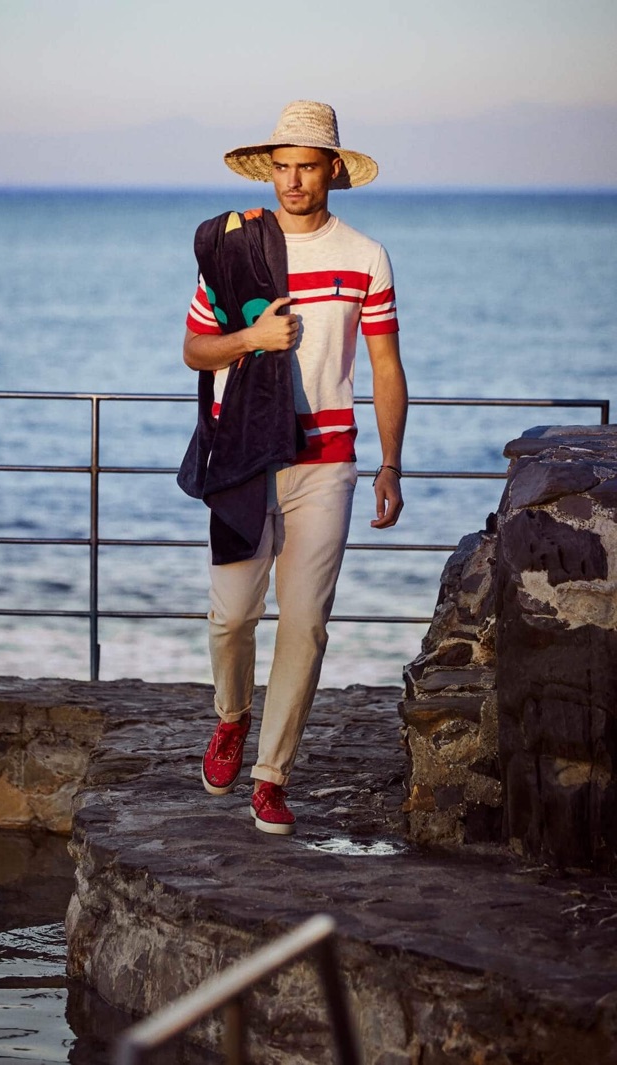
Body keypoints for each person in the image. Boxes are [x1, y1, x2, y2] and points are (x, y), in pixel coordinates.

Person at [178, 100, 408, 835]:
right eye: (282, 167)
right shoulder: (236, 249)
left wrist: (391, 464)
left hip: (327, 462)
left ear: (333, 171)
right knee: (232, 615)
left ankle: (272, 773)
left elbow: (384, 364)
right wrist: (251, 335)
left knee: (305, 626)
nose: (292, 181)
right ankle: (232, 717)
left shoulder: (366, 256)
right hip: (245, 455)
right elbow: (194, 350)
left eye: (306, 167)